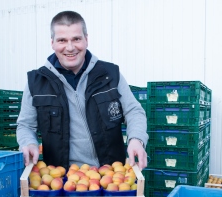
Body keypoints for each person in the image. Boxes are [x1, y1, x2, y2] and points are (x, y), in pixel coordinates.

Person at [16, 10, 148, 172]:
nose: (70, 47)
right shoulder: (37, 82)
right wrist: (29, 143)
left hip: (111, 175)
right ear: (52, 43)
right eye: (62, 40)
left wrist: (136, 139)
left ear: (86, 39)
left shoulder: (109, 74)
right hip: (61, 179)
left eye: (76, 39)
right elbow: (25, 125)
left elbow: (134, 111)